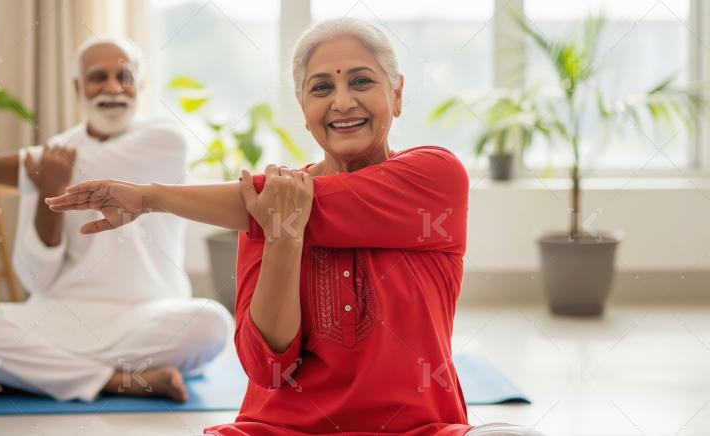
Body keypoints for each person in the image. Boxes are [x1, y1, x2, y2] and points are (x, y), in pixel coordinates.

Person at [46, 19, 544, 435]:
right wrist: (282, 238)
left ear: (397, 94)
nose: (342, 101)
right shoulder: (260, 209)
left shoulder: (434, 176)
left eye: (362, 82)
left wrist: (149, 198)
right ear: (304, 109)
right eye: (321, 87)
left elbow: (284, 203)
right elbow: (271, 369)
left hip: (421, 429)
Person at [0, 35, 232, 402]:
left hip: (151, 315)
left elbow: (49, 166)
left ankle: (44, 374)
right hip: (59, 317)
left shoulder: (165, 139)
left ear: (141, 85)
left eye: (123, 76)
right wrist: (48, 191)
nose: (112, 88)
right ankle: (115, 379)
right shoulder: (51, 158)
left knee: (212, 324)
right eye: (98, 77)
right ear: (78, 87)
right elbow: (36, 277)